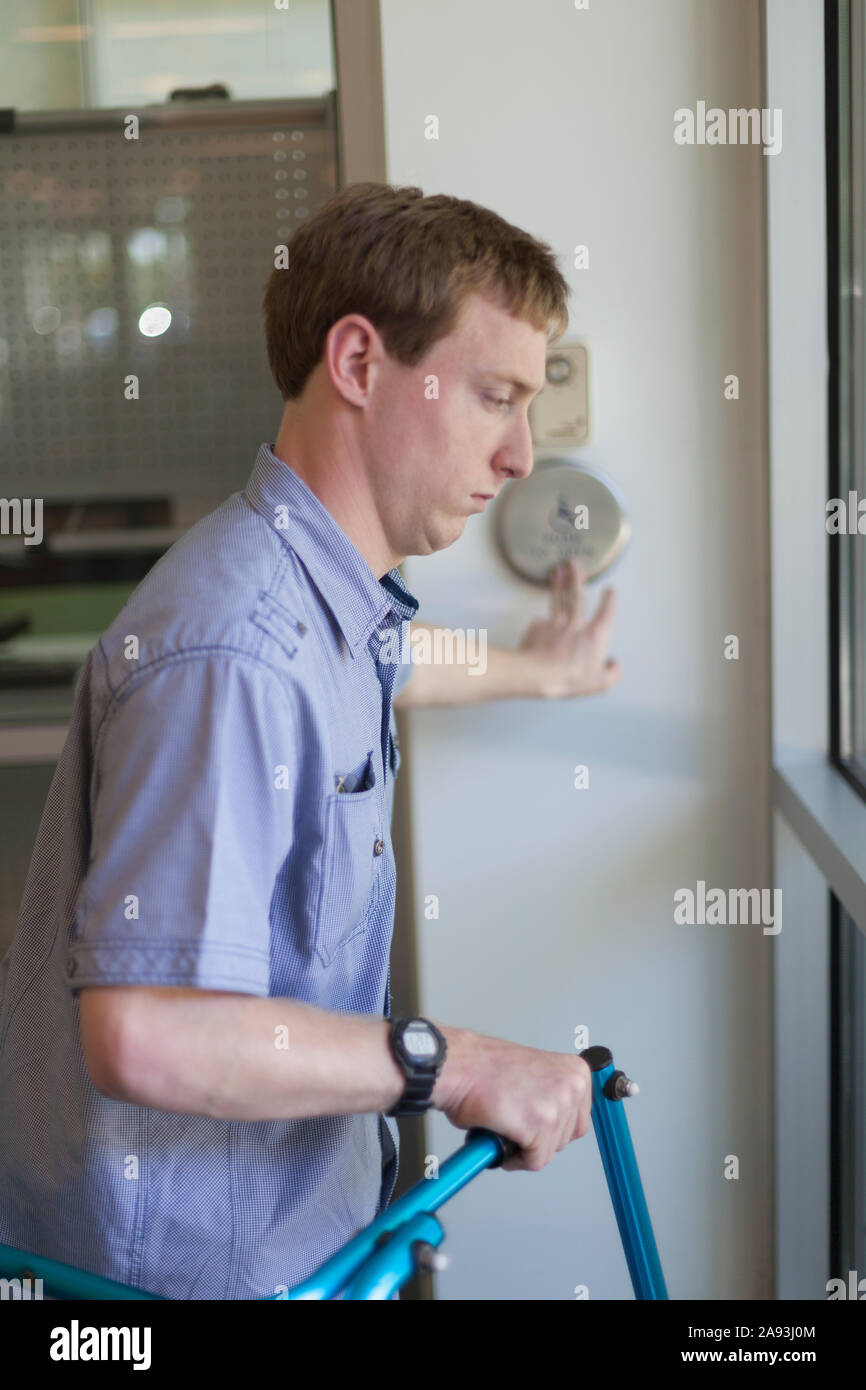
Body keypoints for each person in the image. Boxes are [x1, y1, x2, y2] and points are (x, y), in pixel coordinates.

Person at [0, 182, 621, 1300]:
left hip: (296, 1236)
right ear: (357, 363)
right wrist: (458, 1065)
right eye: (494, 396)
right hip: (188, 1278)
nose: (522, 452)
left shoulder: (317, 600)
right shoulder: (231, 649)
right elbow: (147, 1038)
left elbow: (378, 676)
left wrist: (543, 669)